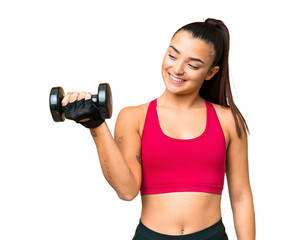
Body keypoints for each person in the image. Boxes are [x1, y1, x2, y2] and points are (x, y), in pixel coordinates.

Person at [61, 18, 255, 240]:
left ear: (211, 73)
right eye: (173, 55)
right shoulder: (134, 117)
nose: (178, 69)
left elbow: (241, 197)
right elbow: (127, 191)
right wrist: (96, 125)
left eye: (192, 65)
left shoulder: (228, 120)